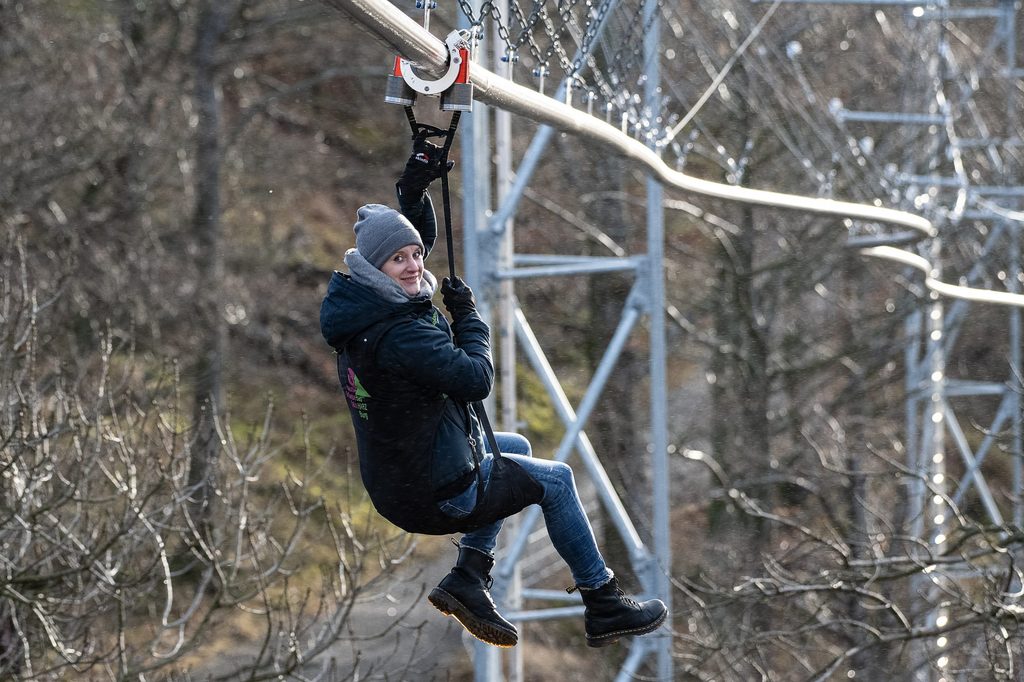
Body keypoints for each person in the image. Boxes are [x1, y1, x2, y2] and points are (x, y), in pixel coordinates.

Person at [319, 132, 667, 649]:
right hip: (436, 494)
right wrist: (469, 319)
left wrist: (414, 190)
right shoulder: (404, 335)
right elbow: (476, 379)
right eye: (401, 260)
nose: (416, 266)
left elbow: (411, 252)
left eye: (415, 254)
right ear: (377, 270)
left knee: (517, 450)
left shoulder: (365, 310)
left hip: (402, 483)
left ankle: (469, 577)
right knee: (555, 480)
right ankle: (603, 600)